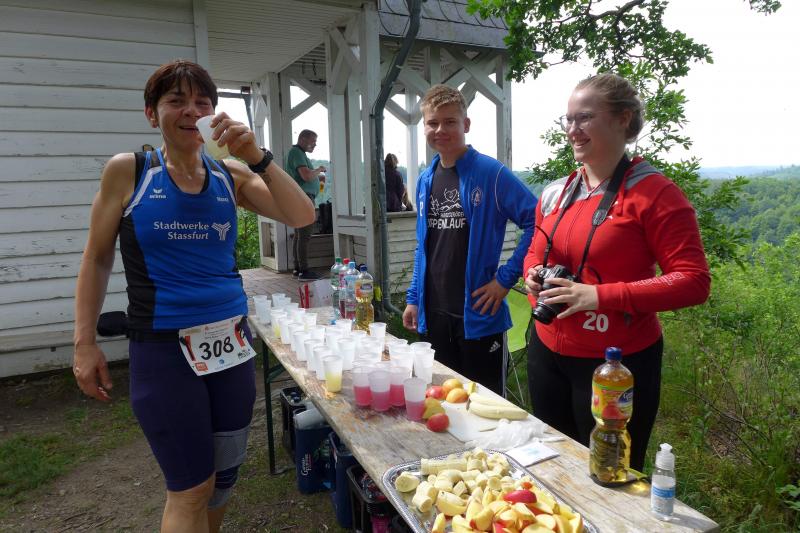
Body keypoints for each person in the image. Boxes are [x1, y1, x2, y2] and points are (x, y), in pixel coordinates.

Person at [72, 60, 315, 533]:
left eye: (202, 102)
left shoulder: (230, 175)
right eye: (176, 101)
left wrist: (257, 156)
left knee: (223, 479)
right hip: (163, 347)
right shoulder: (130, 172)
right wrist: (84, 342)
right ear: (151, 113)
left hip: (231, 344)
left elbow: (302, 214)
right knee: (190, 488)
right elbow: (96, 259)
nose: (191, 111)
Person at [523, 72, 711, 471]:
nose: (572, 130)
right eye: (568, 119)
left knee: (610, 475)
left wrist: (599, 296)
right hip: (547, 351)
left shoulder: (654, 194)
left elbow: (693, 280)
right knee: (554, 465)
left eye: (585, 118)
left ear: (623, 119)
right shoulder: (557, 191)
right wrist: (534, 273)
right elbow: (534, 253)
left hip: (614, 364)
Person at [403, 84, 537, 395]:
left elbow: (538, 221)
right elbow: (424, 246)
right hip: (434, 315)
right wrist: (413, 298)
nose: (440, 130)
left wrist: (505, 279)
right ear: (425, 127)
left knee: (484, 404)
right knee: (440, 399)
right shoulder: (425, 179)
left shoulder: (491, 173)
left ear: (466, 124)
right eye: (433, 123)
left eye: (450, 121)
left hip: (478, 316)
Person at [286, 129, 327, 280]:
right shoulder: (296, 153)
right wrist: (319, 170)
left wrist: (317, 178)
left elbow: (307, 176)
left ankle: (298, 269)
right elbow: (306, 176)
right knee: (304, 236)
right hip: (303, 198)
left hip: (299, 197)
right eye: (313, 141)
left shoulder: (298, 154)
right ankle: (304, 271)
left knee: (299, 234)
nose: (315, 145)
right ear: (303, 139)